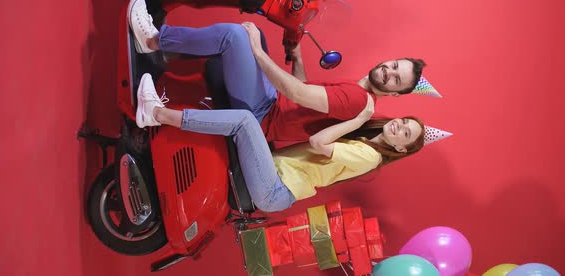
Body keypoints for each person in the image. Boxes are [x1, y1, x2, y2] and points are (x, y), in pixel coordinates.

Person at [129, 0, 426, 146]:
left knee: (236, 36)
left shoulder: (358, 100)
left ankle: (153, 41)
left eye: (396, 79)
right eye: (394, 66)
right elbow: (302, 100)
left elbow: (294, 91)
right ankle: (167, 53)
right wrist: (296, 58)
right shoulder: (359, 90)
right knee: (252, 31)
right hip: (272, 103)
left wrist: (258, 53)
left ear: (396, 94)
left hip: (263, 114)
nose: (389, 72)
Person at [135, 73, 425, 212]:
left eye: (405, 134)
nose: (399, 126)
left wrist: (358, 120)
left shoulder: (369, 157)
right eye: (403, 121)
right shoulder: (363, 139)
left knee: (244, 122)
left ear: (400, 149)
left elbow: (318, 142)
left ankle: (156, 113)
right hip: (275, 175)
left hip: (275, 189)